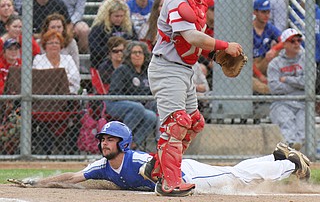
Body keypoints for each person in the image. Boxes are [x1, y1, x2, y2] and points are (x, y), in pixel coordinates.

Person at [147, 0, 243, 196]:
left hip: (184, 70)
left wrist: (211, 56)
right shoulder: (175, 0)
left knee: (194, 122)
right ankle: (170, 183)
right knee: (177, 123)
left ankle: (156, 169)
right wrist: (223, 46)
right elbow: (190, 37)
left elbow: (187, 44)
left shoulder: (195, 1)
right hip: (167, 69)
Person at [13, 121, 311, 195]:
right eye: (103, 139)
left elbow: (157, 164)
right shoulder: (102, 166)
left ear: (124, 143)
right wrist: (38, 183)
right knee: (233, 176)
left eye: (110, 139)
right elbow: (72, 177)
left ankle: (288, 163)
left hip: (185, 174)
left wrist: (153, 172)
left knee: (234, 178)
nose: (104, 143)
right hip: (177, 177)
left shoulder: (135, 159)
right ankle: (277, 159)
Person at [105, 41, 158, 150]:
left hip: (138, 107)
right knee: (137, 108)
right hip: (115, 104)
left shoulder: (146, 72)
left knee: (151, 116)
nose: (137, 55)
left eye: (140, 52)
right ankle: (121, 140)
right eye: (134, 53)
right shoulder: (122, 70)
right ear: (129, 55)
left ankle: (132, 145)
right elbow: (116, 93)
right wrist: (137, 99)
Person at [267, 28, 305, 151]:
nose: (297, 44)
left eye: (299, 40)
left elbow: (308, 83)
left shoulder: (306, 60)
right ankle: (290, 155)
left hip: (303, 103)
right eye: (292, 41)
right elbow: (274, 88)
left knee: (302, 134)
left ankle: (300, 161)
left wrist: (286, 79)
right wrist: (297, 84)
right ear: (284, 44)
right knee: (287, 128)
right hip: (282, 102)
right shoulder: (275, 63)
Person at [89, 0, 137, 68]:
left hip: (127, 62)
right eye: (116, 16)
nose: (119, 19)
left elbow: (136, 42)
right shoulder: (99, 28)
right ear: (108, 15)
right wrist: (115, 51)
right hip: (103, 63)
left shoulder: (128, 27)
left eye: (121, 16)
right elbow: (95, 49)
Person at [33, 30, 80, 95]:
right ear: (45, 46)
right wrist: (62, 79)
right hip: (45, 95)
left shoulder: (68, 58)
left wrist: (50, 79)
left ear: (61, 46)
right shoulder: (38, 59)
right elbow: (38, 79)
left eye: (57, 43)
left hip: (67, 94)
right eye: (51, 43)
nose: (54, 45)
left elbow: (75, 77)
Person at [252, 0, 281, 95]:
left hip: (264, 61)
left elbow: (284, 41)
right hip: (250, 66)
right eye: (263, 12)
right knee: (253, 83)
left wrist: (274, 49)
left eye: (268, 12)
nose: (266, 15)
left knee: (279, 50)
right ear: (255, 12)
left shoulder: (269, 27)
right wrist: (260, 76)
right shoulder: (249, 28)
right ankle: (272, 90)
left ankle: (275, 85)